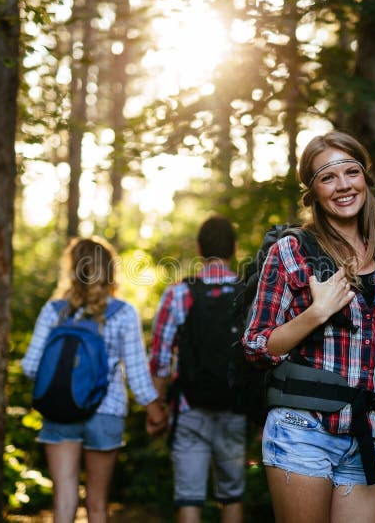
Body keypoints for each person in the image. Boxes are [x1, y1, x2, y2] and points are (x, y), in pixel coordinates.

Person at [242, 130, 375, 523]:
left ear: (365, 179)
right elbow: (257, 346)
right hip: (302, 430)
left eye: (351, 172)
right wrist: (315, 312)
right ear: (312, 192)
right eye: (327, 177)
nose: (343, 185)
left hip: (370, 437)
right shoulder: (292, 251)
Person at [22, 237, 167, 523]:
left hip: (60, 408)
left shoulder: (53, 311)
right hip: (106, 411)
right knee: (98, 505)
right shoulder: (123, 313)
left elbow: (30, 366)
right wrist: (156, 414)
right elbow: (137, 376)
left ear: (72, 268)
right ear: (110, 270)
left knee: (64, 501)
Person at [150, 215, 246, 523]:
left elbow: (161, 357)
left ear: (198, 248)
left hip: (189, 407)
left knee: (189, 496)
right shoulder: (248, 293)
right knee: (232, 494)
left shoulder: (179, 293)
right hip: (235, 407)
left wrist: (157, 408)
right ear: (234, 248)